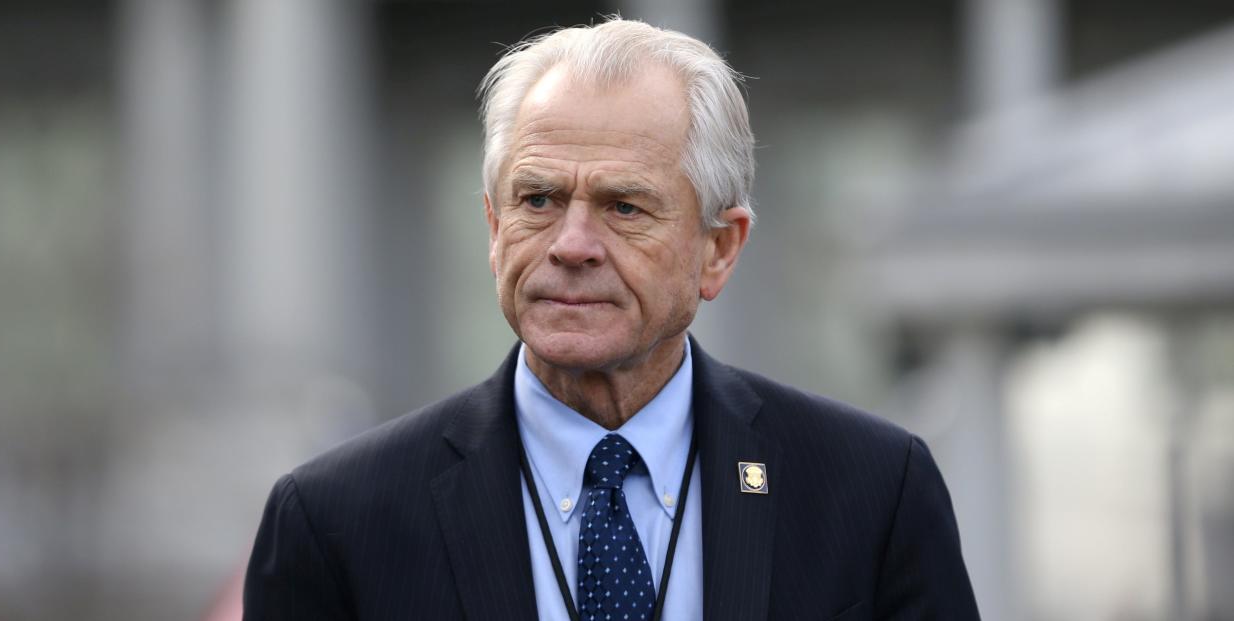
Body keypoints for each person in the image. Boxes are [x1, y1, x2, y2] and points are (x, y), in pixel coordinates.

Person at [244, 17, 979, 621]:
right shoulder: (337, 520)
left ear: (718, 249)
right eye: (538, 200)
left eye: (624, 207)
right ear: (493, 228)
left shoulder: (871, 492)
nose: (570, 245)